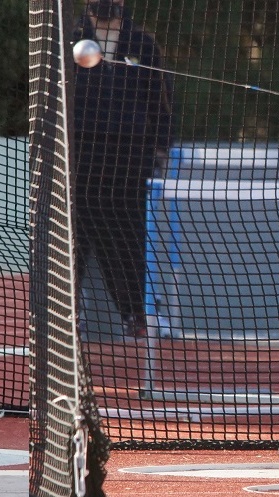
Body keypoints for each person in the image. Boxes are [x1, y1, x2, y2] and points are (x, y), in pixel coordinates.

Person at [72, 0, 174, 337]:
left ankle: (136, 313)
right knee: (75, 235)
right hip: (80, 155)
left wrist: (162, 146)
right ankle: (66, 311)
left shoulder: (143, 44)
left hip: (128, 156)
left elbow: (159, 97)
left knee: (128, 235)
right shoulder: (68, 40)